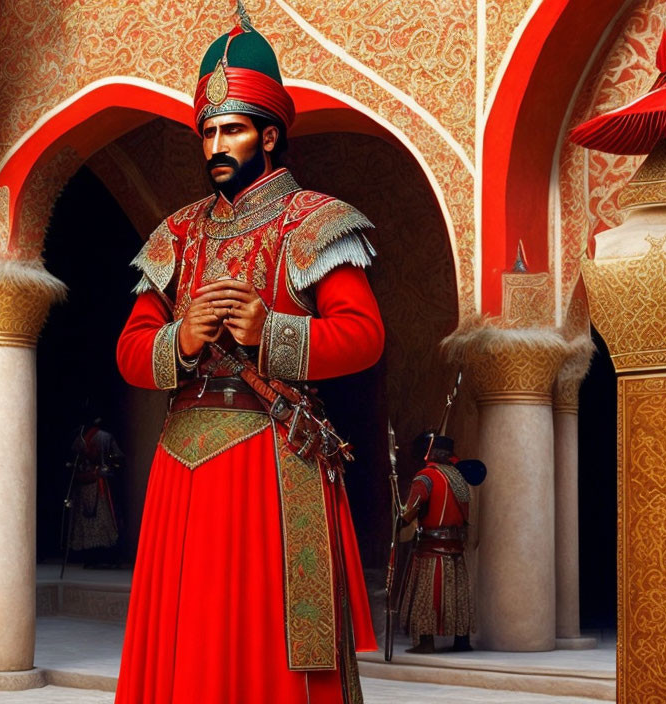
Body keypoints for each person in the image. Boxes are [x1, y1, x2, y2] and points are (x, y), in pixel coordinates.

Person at [114, 3, 382, 702]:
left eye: (231, 129)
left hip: (273, 459)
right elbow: (132, 351)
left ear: (270, 133)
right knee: (188, 646)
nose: (215, 146)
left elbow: (363, 337)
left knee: (267, 650)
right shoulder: (174, 234)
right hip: (181, 461)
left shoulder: (317, 222)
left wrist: (273, 333)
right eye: (207, 132)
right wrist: (183, 338)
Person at [398, 432, 476, 653]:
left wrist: (398, 514)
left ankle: (426, 641)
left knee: (427, 593)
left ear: (430, 453)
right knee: (458, 593)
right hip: (456, 545)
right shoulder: (459, 477)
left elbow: (408, 513)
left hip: (431, 548)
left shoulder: (426, 477)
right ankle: (462, 640)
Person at [65, 417, 125, 567]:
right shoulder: (105, 437)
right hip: (98, 482)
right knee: (102, 518)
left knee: (88, 520)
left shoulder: (79, 439)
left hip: (85, 484)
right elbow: (118, 456)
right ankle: (103, 555)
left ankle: (90, 557)